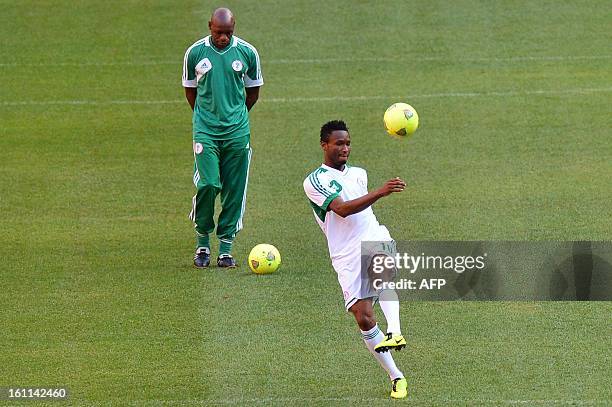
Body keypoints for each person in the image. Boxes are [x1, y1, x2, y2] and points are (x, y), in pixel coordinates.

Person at [303, 120, 408, 399]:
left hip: (373, 237)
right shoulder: (315, 181)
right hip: (345, 253)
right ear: (324, 145)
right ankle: (396, 376)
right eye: (339, 143)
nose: (345, 148)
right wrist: (380, 192)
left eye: (348, 143)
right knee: (363, 318)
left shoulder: (359, 173)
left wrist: (376, 193)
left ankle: (395, 331)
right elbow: (343, 210)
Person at [182, 7, 263, 268]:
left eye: (228, 33)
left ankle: (225, 247)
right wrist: (206, 118)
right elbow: (190, 91)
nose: (224, 38)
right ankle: (202, 240)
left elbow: (253, 92)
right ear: (210, 27)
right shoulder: (195, 53)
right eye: (219, 33)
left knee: (234, 190)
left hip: (237, 132)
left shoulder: (248, 53)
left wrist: (235, 116)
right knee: (208, 184)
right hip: (205, 130)